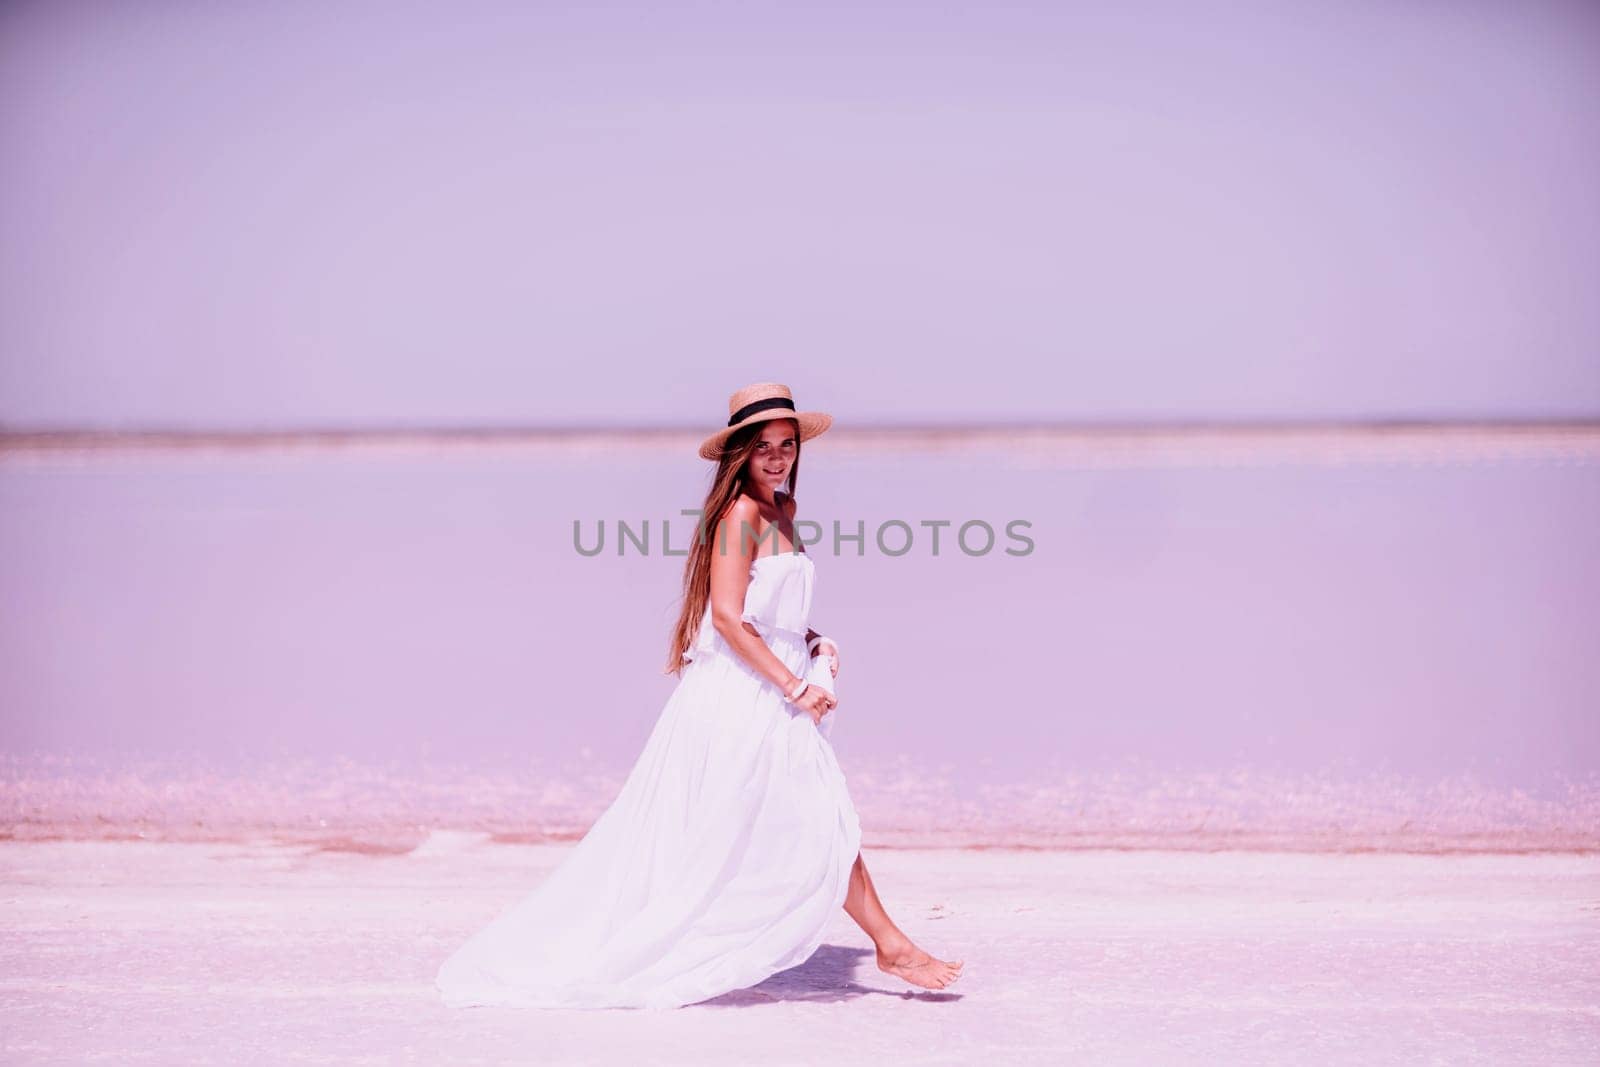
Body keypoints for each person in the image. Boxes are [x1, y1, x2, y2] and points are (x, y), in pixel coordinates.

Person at [435, 382, 963, 1010]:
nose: (776, 457)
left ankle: (884, 941)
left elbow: (770, 615)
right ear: (739, 452)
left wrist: (816, 644)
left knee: (806, 819)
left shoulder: (783, 510)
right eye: (762, 446)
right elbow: (727, 618)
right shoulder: (740, 515)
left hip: (777, 688)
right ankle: (890, 943)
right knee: (789, 821)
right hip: (748, 696)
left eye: (786, 445)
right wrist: (794, 684)